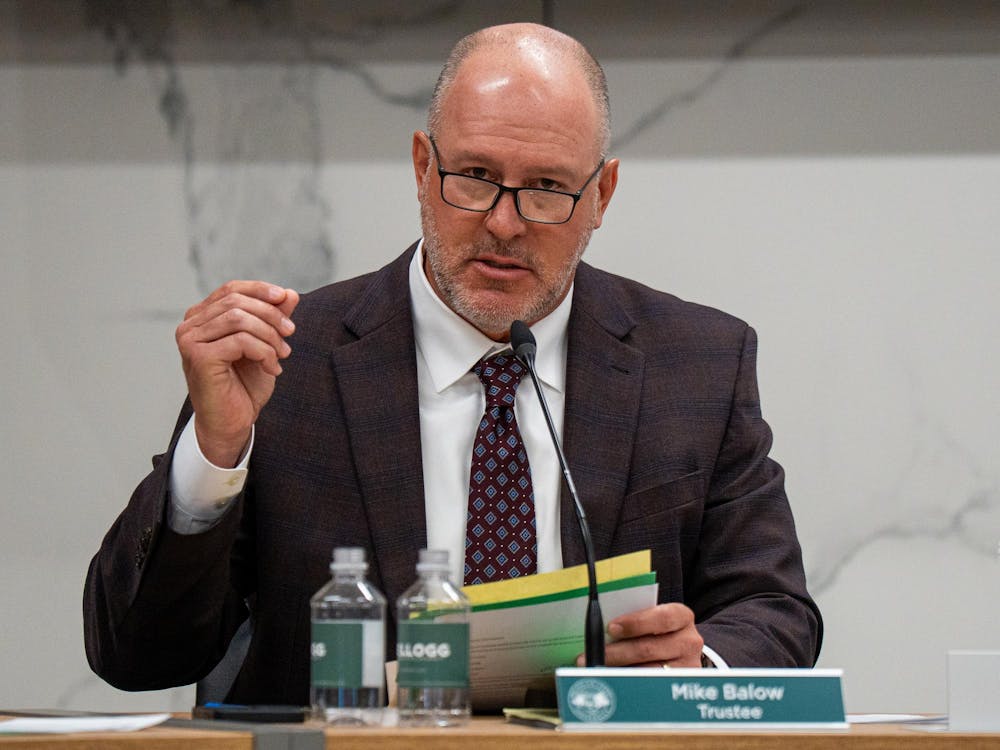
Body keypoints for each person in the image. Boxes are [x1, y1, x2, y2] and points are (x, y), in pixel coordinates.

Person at [84, 22, 821, 706]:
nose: (503, 222)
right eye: (473, 174)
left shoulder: (697, 365)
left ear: (601, 195)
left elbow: (773, 607)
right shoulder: (287, 362)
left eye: (546, 188)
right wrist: (213, 455)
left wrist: (698, 667)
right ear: (420, 166)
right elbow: (134, 656)